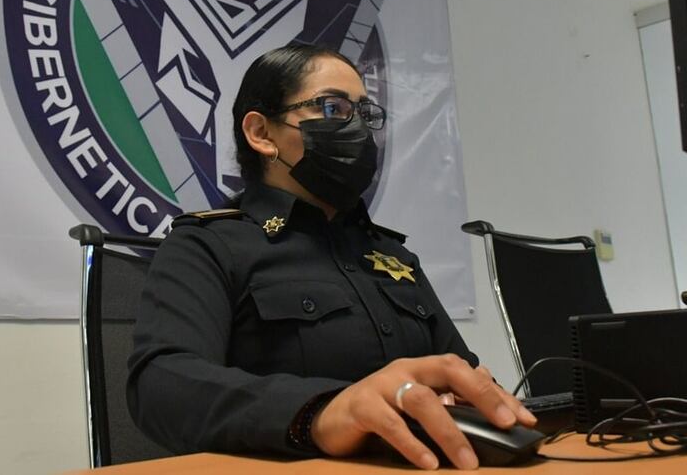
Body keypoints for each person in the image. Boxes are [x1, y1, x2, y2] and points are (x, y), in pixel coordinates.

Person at [127, 43, 535, 470]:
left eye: (365, 113)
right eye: (333, 108)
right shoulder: (208, 246)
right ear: (262, 133)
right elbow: (160, 385)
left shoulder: (392, 254)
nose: (357, 128)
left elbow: (461, 375)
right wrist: (319, 412)